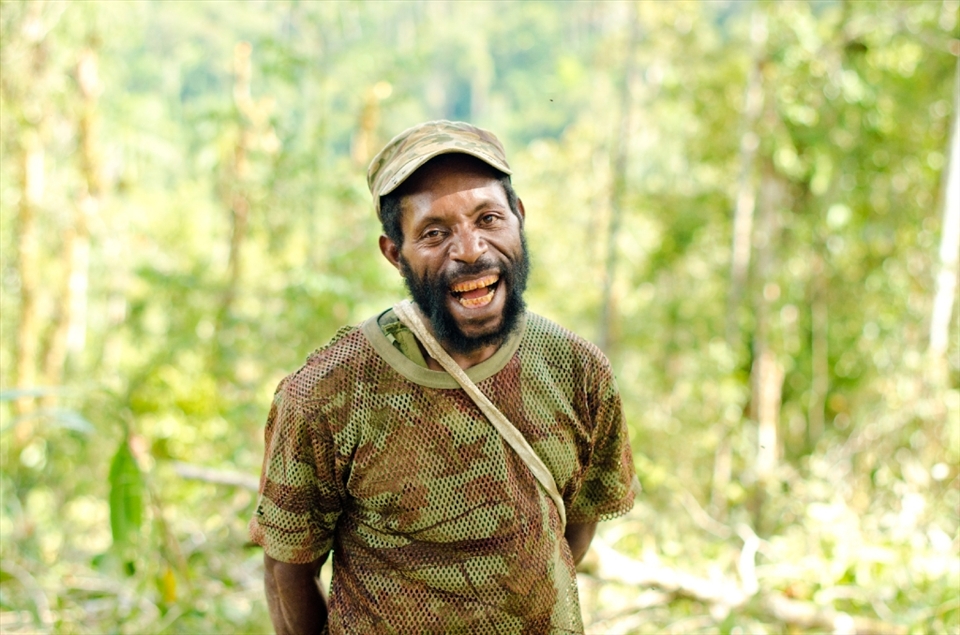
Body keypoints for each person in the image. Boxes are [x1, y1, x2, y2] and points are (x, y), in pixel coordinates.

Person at [250, 120, 638, 635]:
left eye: (489, 218)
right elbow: (286, 567)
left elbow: (576, 522)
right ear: (395, 253)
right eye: (435, 233)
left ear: (519, 219)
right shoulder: (327, 393)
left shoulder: (578, 371)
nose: (471, 249)